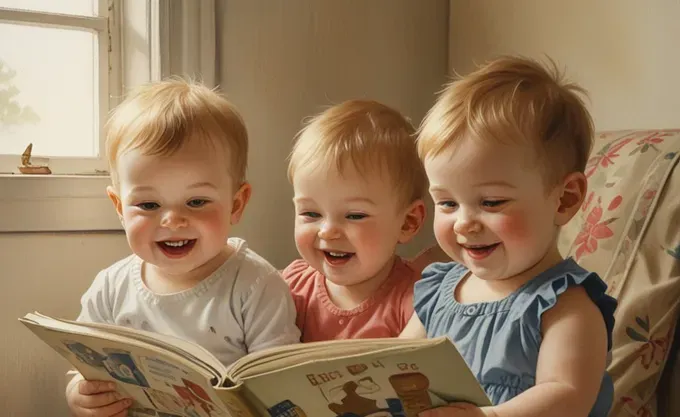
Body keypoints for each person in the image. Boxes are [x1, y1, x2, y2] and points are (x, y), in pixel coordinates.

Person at [66, 79, 300, 417]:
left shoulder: (256, 286)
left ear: (236, 204)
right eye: (148, 205)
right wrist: (80, 393)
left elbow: (279, 387)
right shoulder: (110, 287)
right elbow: (82, 364)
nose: (173, 220)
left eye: (196, 201)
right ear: (119, 207)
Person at [400, 56, 617, 417]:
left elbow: (566, 396)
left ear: (564, 199)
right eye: (447, 203)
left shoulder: (565, 306)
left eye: (491, 202)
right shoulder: (439, 291)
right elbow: (399, 361)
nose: (463, 223)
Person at [283, 99, 428, 342]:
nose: (328, 231)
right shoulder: (290, 285)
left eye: (355, 216)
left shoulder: (416, 300)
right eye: (311, 214)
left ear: (407, 222)